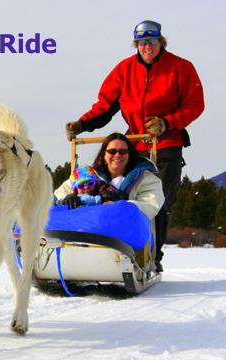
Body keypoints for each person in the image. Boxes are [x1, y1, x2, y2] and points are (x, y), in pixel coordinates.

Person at [65, 20, 204, 271]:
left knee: (157, 200)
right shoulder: (124, 69)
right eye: (141, 42)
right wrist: (82, 124)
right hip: (134, 144)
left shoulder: (181, 68)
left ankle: (153, 257)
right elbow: (105, 105)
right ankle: (112, 249)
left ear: (161, 42)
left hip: (167, 142)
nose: (147, 47)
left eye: (152, 41)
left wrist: (166, 122)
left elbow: (194, 105)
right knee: (118, 195)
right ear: (136, 45)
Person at [55, 133, 165, 269]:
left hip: (127, 231)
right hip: (90, 228)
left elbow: (151, 205)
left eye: (123, 151)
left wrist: (119, 208)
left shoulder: (147, 179)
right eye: (112, 151)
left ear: (129, 154)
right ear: (104, 154)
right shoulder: (89, 175)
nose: (117, 155)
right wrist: (67, 198)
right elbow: (60, 192)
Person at [56, 164, 127, 208]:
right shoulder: (73, 199)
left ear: (96, 184)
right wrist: (68, 199)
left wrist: (101, 199)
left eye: (90, 183)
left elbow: (118, 194)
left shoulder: (102, 189)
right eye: (81, 186)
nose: (86, 187)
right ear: (75, 189)